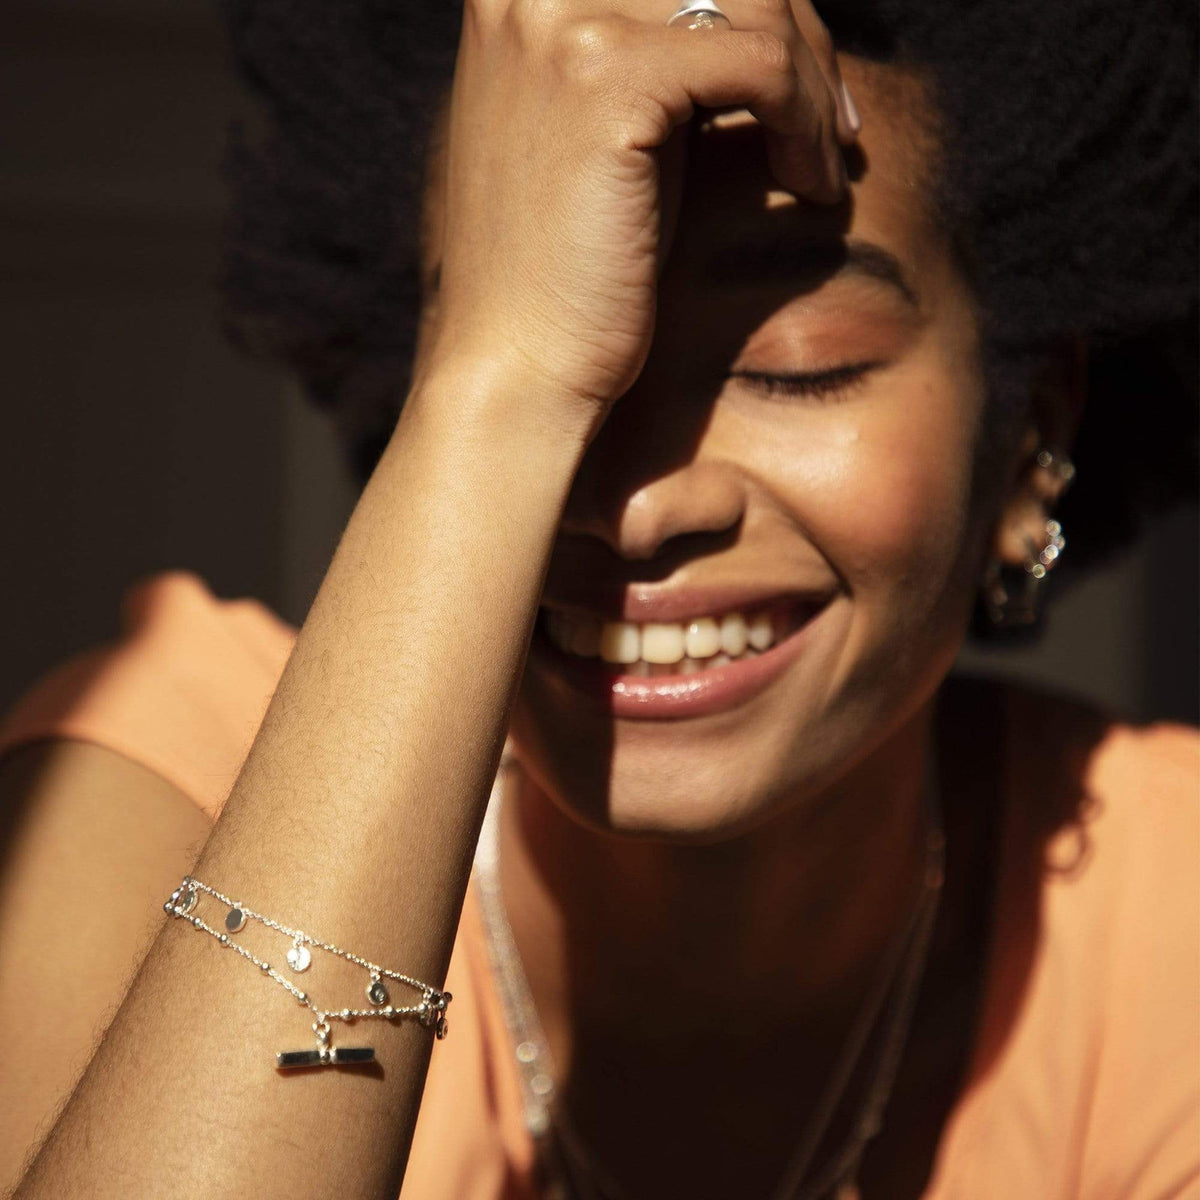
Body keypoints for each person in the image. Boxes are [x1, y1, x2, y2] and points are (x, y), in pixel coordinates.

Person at [1, 0, 1196, 1196]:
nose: (634, 504)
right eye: (536, 353)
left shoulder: (1169, 924)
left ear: (1034, 426)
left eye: (796, 367)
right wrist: (503, 385)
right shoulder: (167, 779)